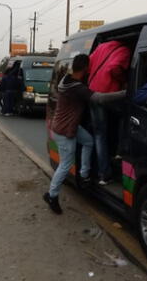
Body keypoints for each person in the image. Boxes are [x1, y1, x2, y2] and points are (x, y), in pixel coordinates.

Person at [44, 54, 125, 214]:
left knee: (88, 141)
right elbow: (98, 98)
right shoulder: (75, 87)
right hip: (65, 130)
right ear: (86, 68)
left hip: (68, 126)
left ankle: (84, 174)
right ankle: (51, 195)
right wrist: (124, 93)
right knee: (65, 165)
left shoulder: (66, 80)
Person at [87, 40, 131, 185]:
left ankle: (102, 175)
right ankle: (120, 151)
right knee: (128, 115)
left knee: (99, 135)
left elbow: (88, 63)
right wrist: (125, 81)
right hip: (108, 95)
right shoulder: (125, 49)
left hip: (93, 93)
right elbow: (114, 69)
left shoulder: (101, 47)